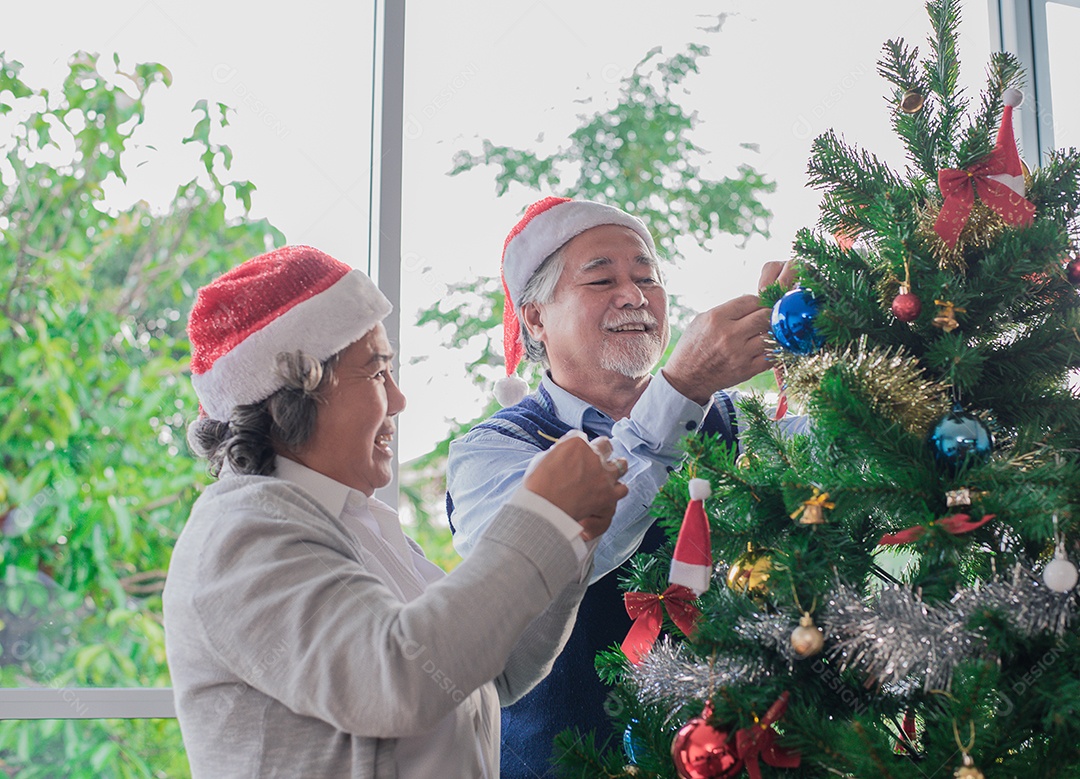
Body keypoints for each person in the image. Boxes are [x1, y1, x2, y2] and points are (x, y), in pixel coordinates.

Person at [162, 245, 631, 778]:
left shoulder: (360, 524)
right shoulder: (242, 532)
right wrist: (541, 515)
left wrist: (571, 536)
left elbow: (492, 673)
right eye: (376, 373)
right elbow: (398, 683)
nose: (399, 400)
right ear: (298, 393)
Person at [446, 196, 807, 776]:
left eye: (648, 277)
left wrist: (831, 348)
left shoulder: (736, 420)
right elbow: (546, 563)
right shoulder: (492, 451)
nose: (635, 296)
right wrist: (681, 389)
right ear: (534, 317)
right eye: (602, 278)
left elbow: (861, 467)